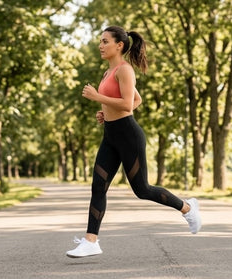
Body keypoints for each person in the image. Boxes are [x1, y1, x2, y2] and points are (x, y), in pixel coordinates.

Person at [66, 26, 202, 258]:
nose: (100, 45)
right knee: (98, 186)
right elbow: (134, 99)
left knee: (142, 189)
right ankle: (91, 241)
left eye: (105, 41)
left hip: (128, 136)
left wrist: (98, 98)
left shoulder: (125, 70)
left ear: (119, 45)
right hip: (110, 135)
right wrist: (105, 112)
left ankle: (187, 208)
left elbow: (129, 105)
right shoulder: (108, 73)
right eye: (100, 41)